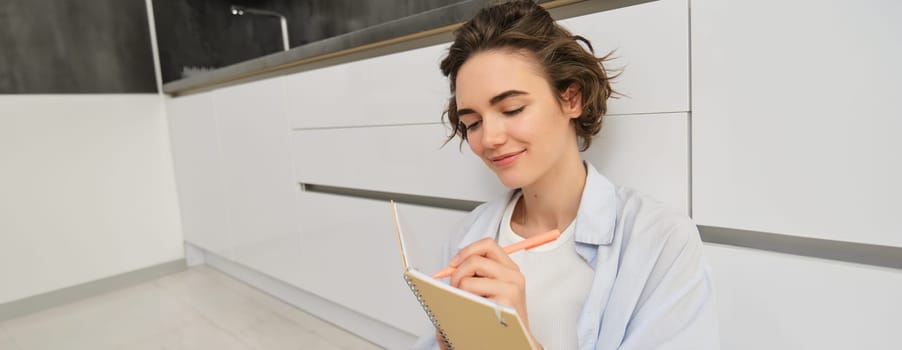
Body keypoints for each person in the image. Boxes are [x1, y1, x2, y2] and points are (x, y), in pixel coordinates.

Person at [413, 0, 719, 349]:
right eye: (473, 123)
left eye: (511, 109)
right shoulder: (467, 237)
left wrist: (516, 344)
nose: (490, 138)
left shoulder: (661, 243)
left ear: (572, 98)